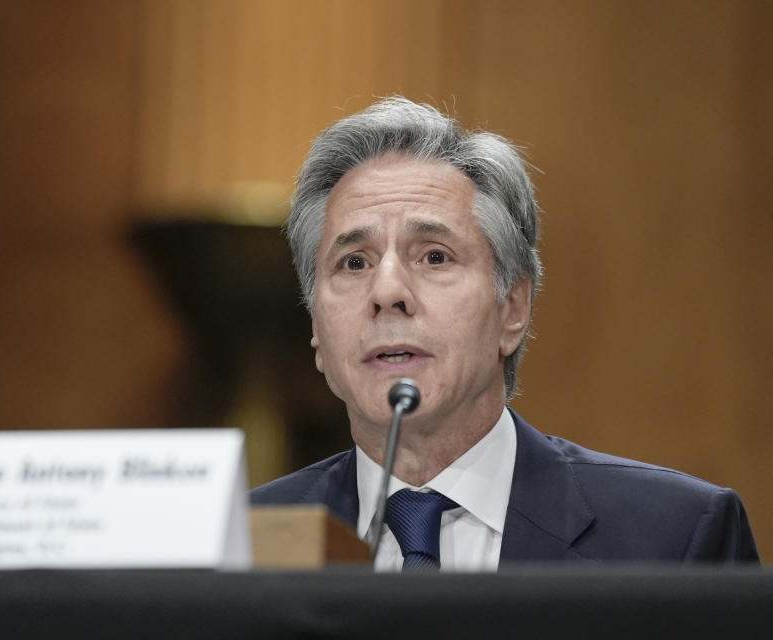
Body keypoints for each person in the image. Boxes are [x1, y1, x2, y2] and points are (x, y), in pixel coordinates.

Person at [250, 96, 759, 570]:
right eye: (353, 262)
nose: (387, 291)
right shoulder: (238, 546)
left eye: (433, 256)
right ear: (316, 327)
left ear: (512, 308)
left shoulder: (676, 538)